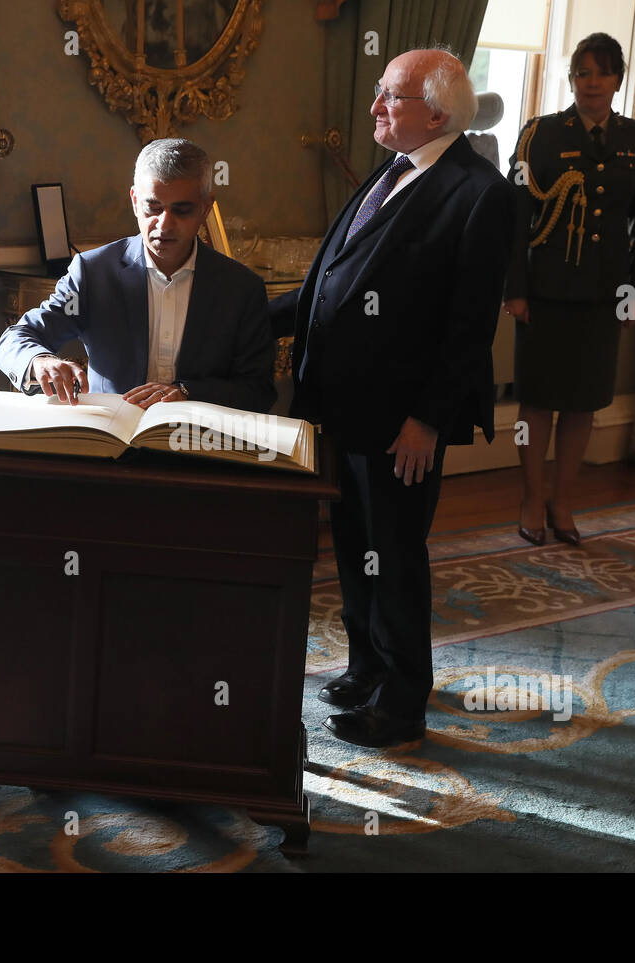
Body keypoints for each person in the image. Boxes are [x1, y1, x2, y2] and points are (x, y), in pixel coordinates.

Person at [270, 47, 515, 748]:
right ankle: (367, 664)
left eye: (391, 97)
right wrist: (240, 322)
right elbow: (331, 283)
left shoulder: (480, 194)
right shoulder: (395, 169)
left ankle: (403, 701)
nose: (376, 107)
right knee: (353, 547)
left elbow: (470, 325)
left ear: (437, 112)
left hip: (402, 422)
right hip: (339, 409)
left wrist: (428, 420)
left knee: (396, 554)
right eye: (379, 92)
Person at [503, 32, 635, 545]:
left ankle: (563, 501)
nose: (593, 83)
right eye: (583, 73)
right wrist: (515, 290)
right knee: (538, 401)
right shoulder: (540, 134)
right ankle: (530, 498)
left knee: (584, 404)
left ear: (618, 79)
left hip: (603, 293)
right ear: (571, 80)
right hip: (546, 290)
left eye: (603, 72)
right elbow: (518, 216)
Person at [0, 138, 275, 414]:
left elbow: (258, 391)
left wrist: (187, 392)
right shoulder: (94, 273)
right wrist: (39, 360)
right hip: (111, 445)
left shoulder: (241, 288)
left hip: (199, 445)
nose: (164, 225)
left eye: (181, 210)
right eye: (153, 207)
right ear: (134, 201)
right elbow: (16, 338)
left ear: (205, 208)